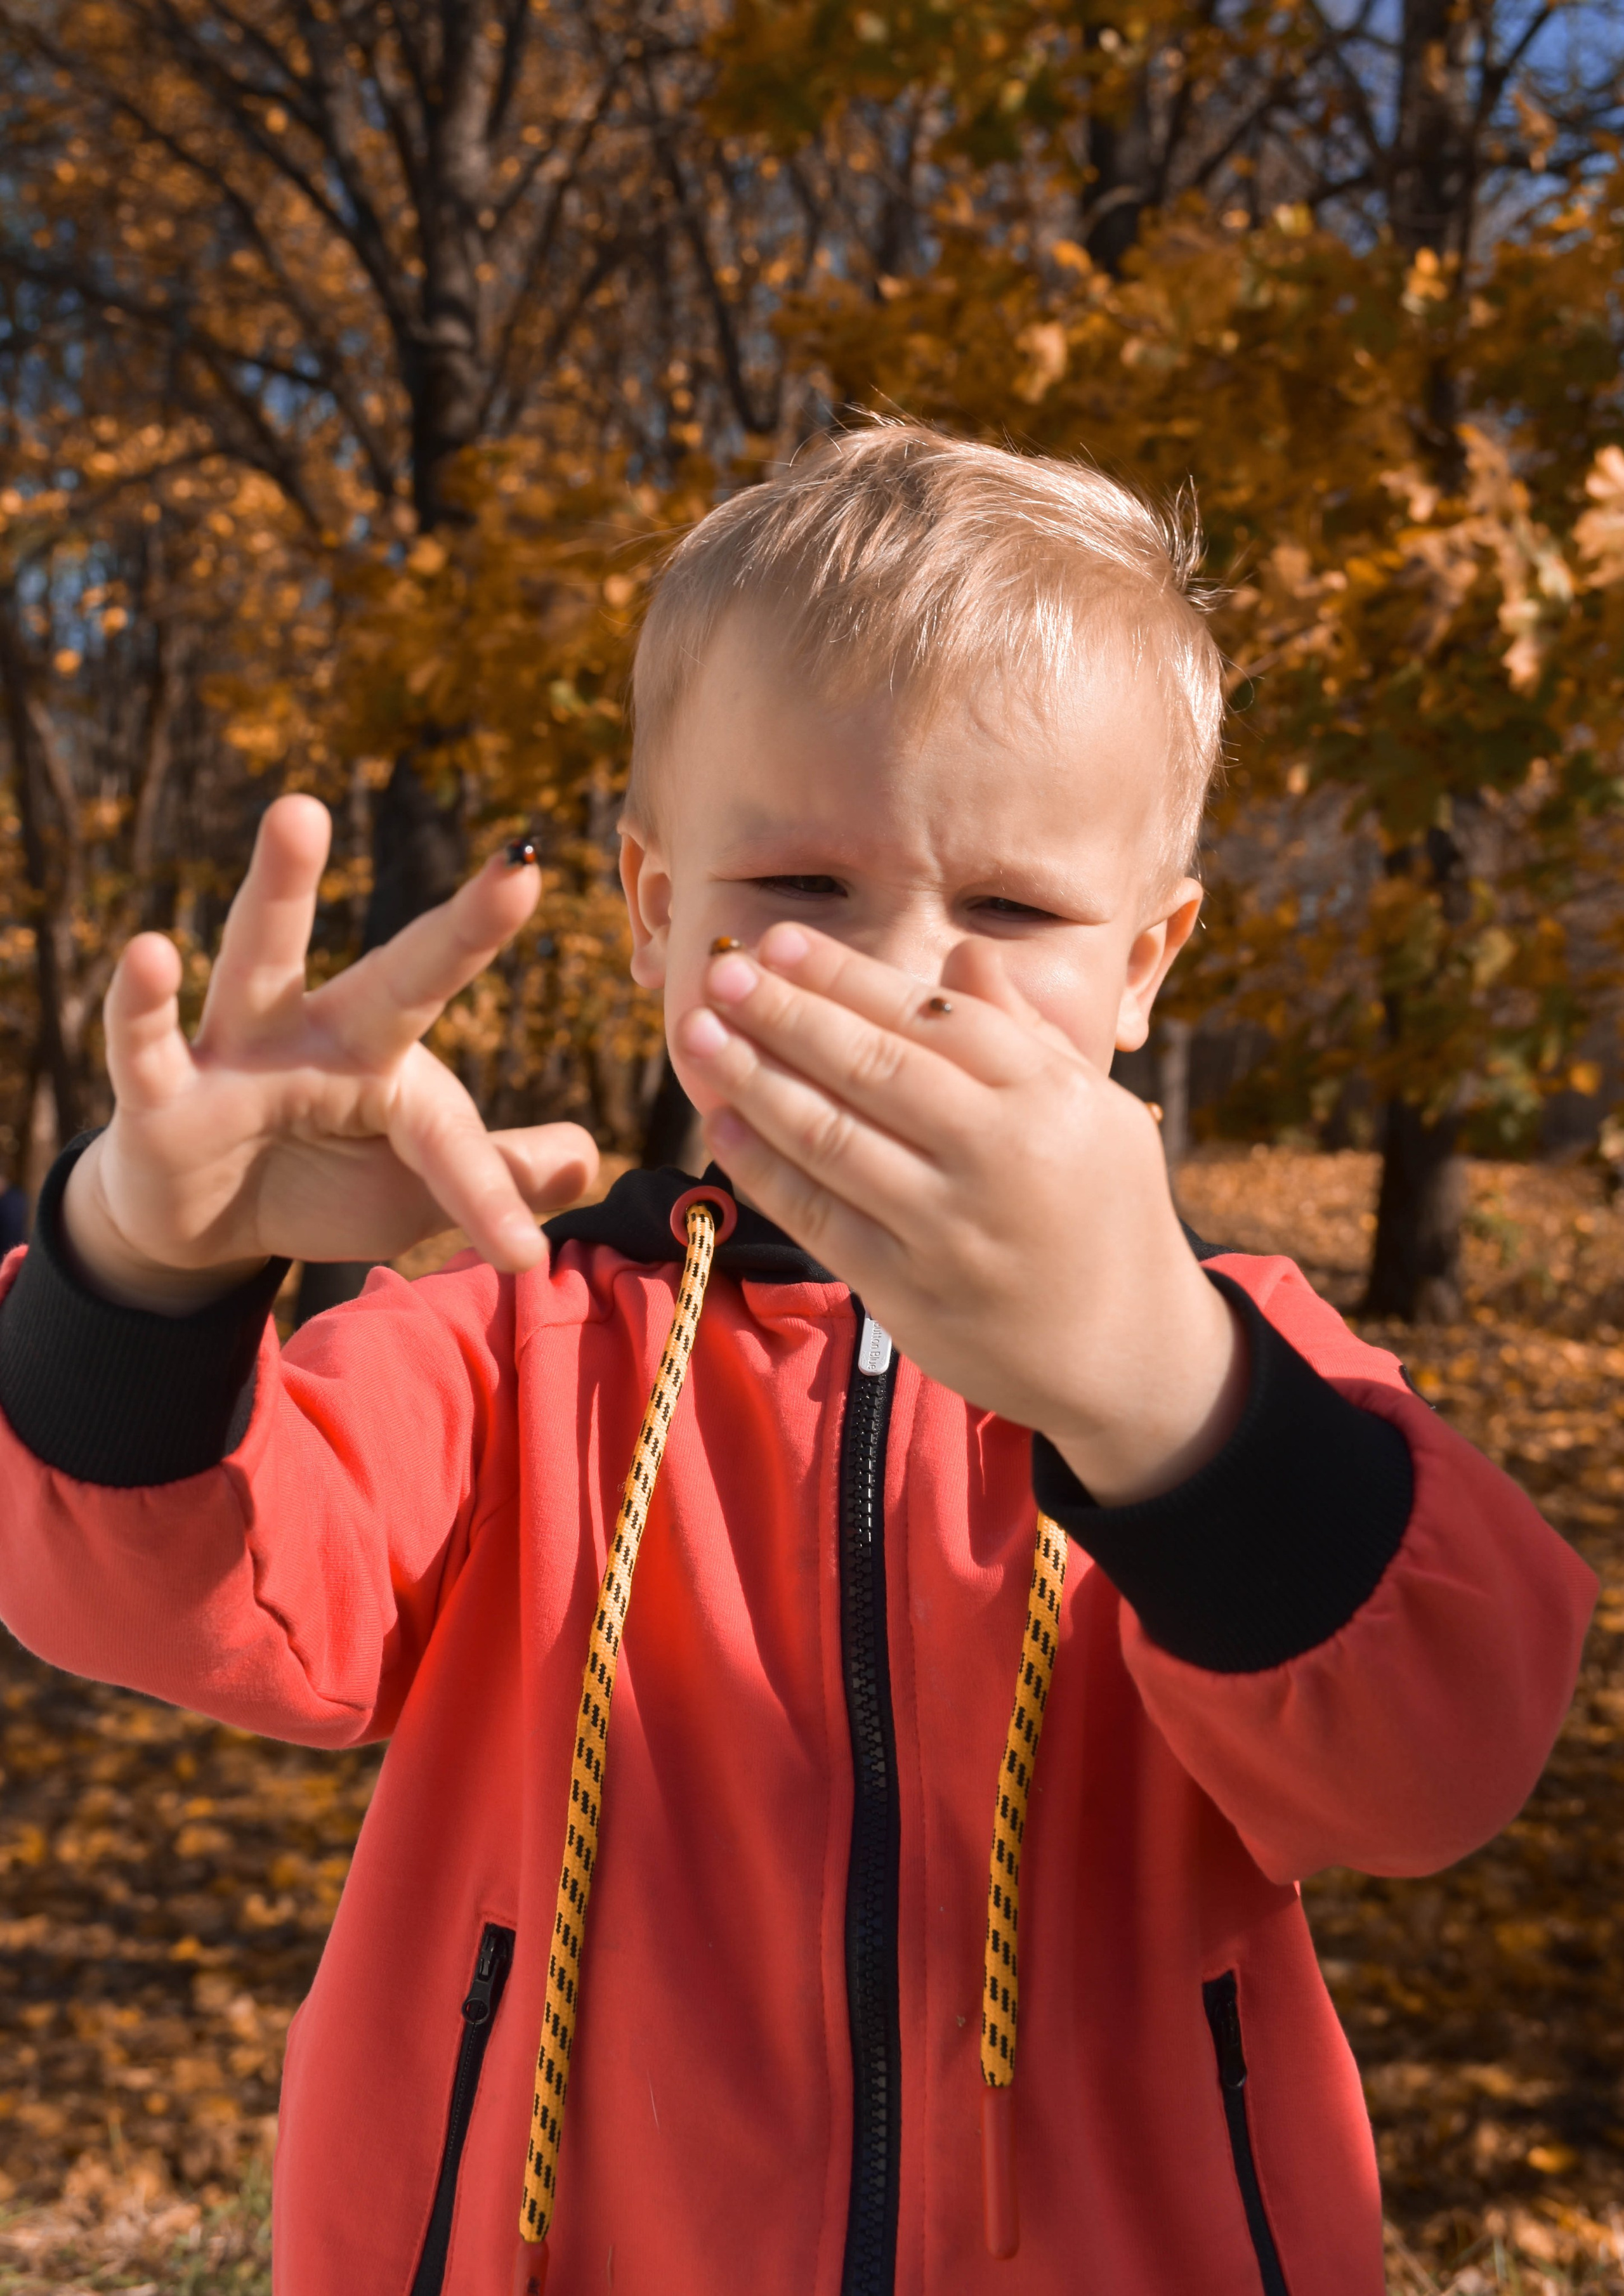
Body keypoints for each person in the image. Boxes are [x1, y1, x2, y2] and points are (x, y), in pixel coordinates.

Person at [0, 422, 1594, 2296]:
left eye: (1013, 907)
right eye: (803, 885)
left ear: (1145, 964)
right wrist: (151, 1264)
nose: (901, 973)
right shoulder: (519, 1343)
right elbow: (152, 1586)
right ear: (656, 912)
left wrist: (1162, 1394)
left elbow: (1433, 1772)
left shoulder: (1230, 1363)